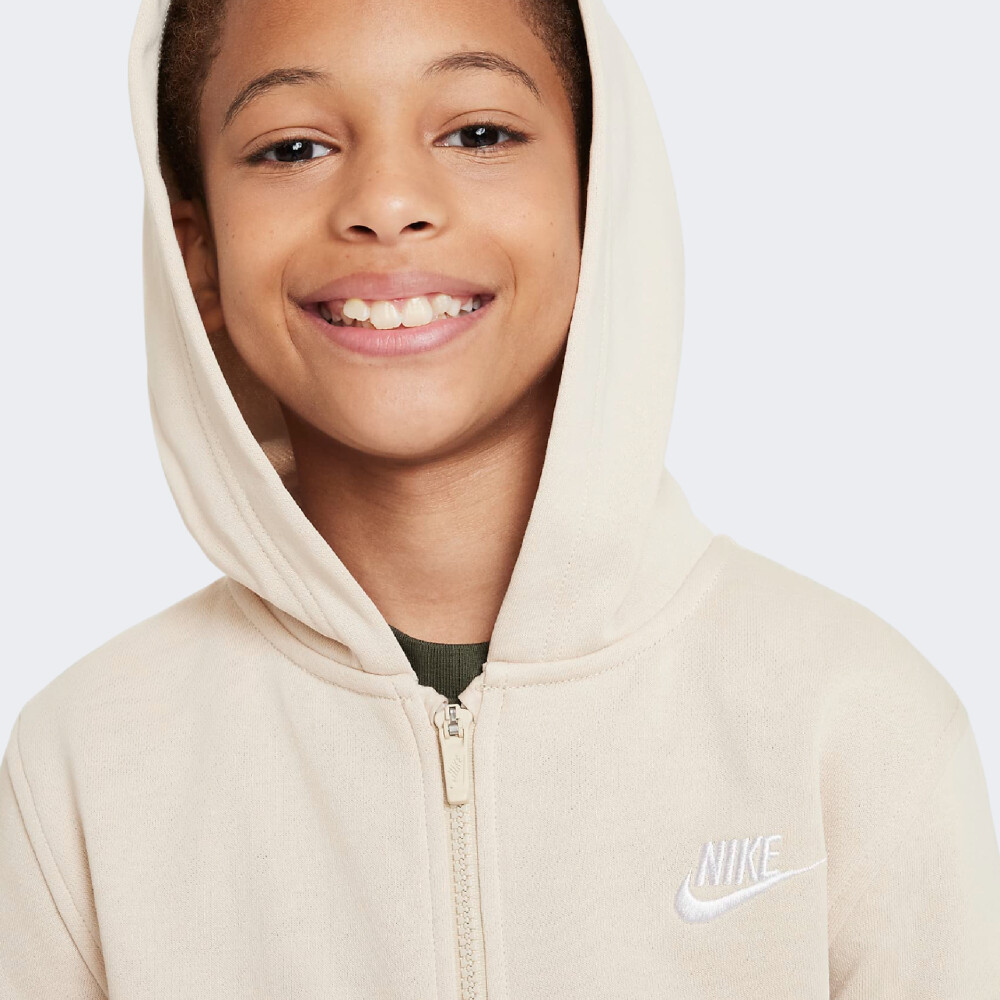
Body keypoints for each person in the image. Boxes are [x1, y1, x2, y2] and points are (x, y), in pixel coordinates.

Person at [1, 0, 998, 994]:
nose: (388, 202)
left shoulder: (852, 724)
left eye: (478, 133)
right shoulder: (84, 771)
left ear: (597, 194)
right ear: (200, 258)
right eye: (294, 147)